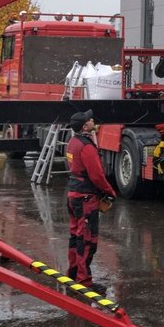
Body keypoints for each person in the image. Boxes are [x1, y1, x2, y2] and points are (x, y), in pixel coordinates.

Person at [64, 109, 115, 290]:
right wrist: (110, 192)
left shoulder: (72, 143)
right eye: (90, 119)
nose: (93, 120)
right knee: (87, 240)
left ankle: (72, 273)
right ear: (85, 126)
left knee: (75, 236)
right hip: (86, 198)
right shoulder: (86, 147)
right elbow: (97, 175)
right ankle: (84, 282)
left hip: (74, 195)